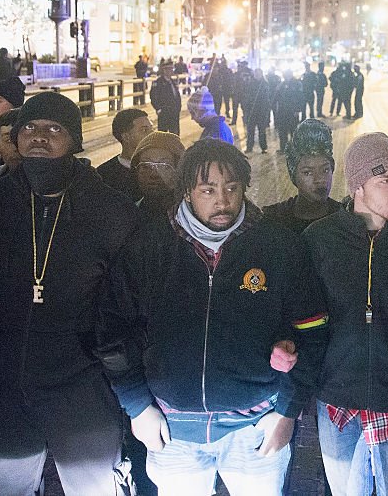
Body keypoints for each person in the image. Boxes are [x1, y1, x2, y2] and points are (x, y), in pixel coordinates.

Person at [96, 138, 329, 495]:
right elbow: (112, 328)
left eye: (231, 187)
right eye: (208, 189)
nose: (222, 201)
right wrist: (137, 406)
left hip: (255, 427)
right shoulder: (149, 246)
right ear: (187, 192)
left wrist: (288, 411)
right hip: (172, 430)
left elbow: (313, 329)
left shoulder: (278, 246)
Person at [0, 91, 139, 495]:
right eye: (30, 128)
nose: (39, 136)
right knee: (3, 487)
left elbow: (130, 299)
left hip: (82, 382)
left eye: (53, 129)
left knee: (96, 487)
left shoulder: (112, 210)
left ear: (75, 141)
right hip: (5, 383)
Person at [303, 133, 388, 496]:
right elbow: (305, 318)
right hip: (336, 398)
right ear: (358, 185)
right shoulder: (319, 239)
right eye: (386, 180)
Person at [263, 119, 340, 234]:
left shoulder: (345, 220)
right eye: (308, 172)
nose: (319, 180)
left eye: (325, 170)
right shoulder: (273, 221)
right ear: (293, 175)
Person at [97, 108, 155, 202]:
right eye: (144, 130)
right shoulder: (103, 176)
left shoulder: (163, 169)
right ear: (126, 137)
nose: (152, 134)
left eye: (152, 129)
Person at [130, 129, 185, 221]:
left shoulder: (194, 219)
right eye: (146, 166)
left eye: (164, 166)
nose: (154, 174)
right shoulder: (128, 215)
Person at [274, 70, 306, 153]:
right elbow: (277, 97)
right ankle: (283, 148)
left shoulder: (297, 84)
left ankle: (296, 149)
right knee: (282, 130)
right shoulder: (282, 84)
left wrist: (298, 110)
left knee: (293, 130)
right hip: (282, 111)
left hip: (292, 111)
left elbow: (301, 98)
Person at [242, 68, 272, 154]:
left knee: (262, 131)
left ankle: (263, 147)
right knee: (250, 131)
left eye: (258, 74)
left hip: (261, 111)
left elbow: (266, 99)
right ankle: (249, 147)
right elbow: (247, 96)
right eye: (256, 74)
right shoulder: (251, 83)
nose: (257, 75)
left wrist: (266, 111)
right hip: (252, 111)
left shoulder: (264, 84)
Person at [150, 68, 182, 135]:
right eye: (170, 69)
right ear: (165, 70)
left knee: (175, 134)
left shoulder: (172, 81)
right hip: (164, 112)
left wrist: (178, 108)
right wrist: (158, 109)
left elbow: (177, 95)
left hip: (174, 112)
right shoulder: (158, 82)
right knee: (163, 135)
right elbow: (153, 96)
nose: (171, 71)